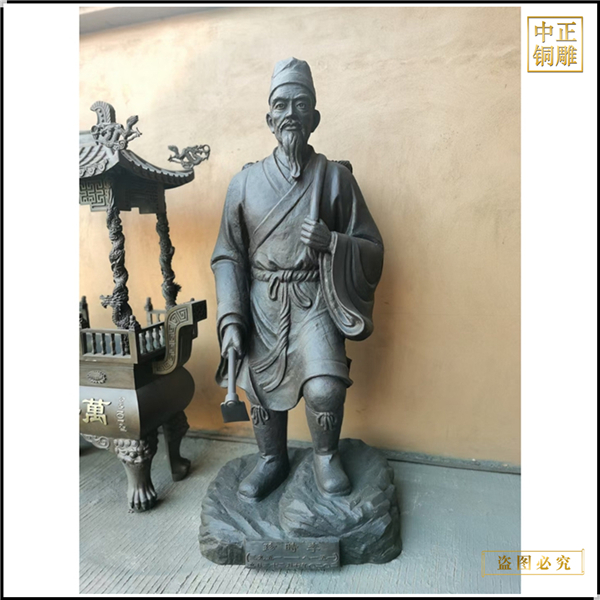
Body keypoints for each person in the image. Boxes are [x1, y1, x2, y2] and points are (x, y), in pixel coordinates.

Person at [211, 57, 384, 501]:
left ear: (315, 118)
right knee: (259, 387)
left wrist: (333, 243)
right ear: (269, 119)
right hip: (262, 300)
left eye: (301, 104)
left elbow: (371, 246)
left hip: (314, 297)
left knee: (325, 387)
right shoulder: (244, 183)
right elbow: (228, 255)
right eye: (281, 105)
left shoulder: (335, 179)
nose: (291, 113)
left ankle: (326, 456)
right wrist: (231, 319)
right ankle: (272, 458)